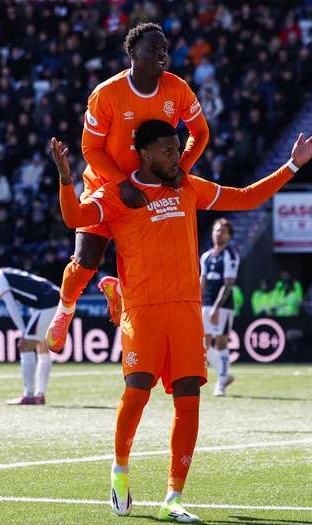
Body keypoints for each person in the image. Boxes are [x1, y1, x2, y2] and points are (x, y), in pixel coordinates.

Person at [51, 121, 312, 523]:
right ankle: (120, 471)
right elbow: (75, 215)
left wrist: (292, 166)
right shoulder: (117, 194)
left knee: (189, 399)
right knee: (138, 390)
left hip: (185, 309)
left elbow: (247, 198)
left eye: (178, 149)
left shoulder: (188, 186)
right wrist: (65, 179)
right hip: (143, 308)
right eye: (167, 150)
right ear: (144, 153)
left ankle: (173, 498)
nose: (176, 156)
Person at [46, 22, 210, 353]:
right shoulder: (107, 94)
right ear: (132, 52)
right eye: (153, 48)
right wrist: (121, 183)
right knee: (86, 259)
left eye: (164, 48)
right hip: (107, 183)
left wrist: (182, 168)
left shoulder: (177, 89)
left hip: (149, 189)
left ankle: (120, 295)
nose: (161, 54)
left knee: (146, 267)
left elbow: (200, 132)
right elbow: (90, 149)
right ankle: (65, 310)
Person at [0, 267, 59, 405]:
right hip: (54, 298)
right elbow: (33, 294)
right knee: (42, 346)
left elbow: (11, 307)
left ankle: (29, 395)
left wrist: (23, 331)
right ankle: (39, 395)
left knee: (25, 346)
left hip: (50, 302)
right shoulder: (5, 275)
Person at [200, 218, 240, 397]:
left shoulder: (231, 255)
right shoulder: (206, 256)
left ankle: (221, 381)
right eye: (216, 230)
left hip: (223, 306)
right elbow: (203, 280)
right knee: (202, 345)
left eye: (223, 231)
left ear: (229, 236)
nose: (219, 233)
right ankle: (225, 375)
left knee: (221, 341)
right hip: (205, 304)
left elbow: (229, 283)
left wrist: (217, 307)